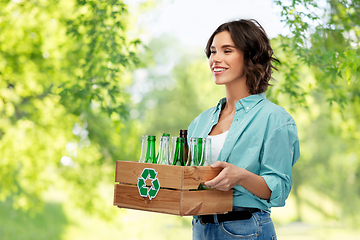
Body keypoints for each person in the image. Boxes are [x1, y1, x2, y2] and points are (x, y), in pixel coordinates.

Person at [188, 19, 300, 240]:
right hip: (201, 228)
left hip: (245, 230)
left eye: (226, 50)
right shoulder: (200, 122)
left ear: (250, 56)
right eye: (212, 52)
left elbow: (279, 189)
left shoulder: (274, 118)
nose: (215, 59)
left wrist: (240, 177)